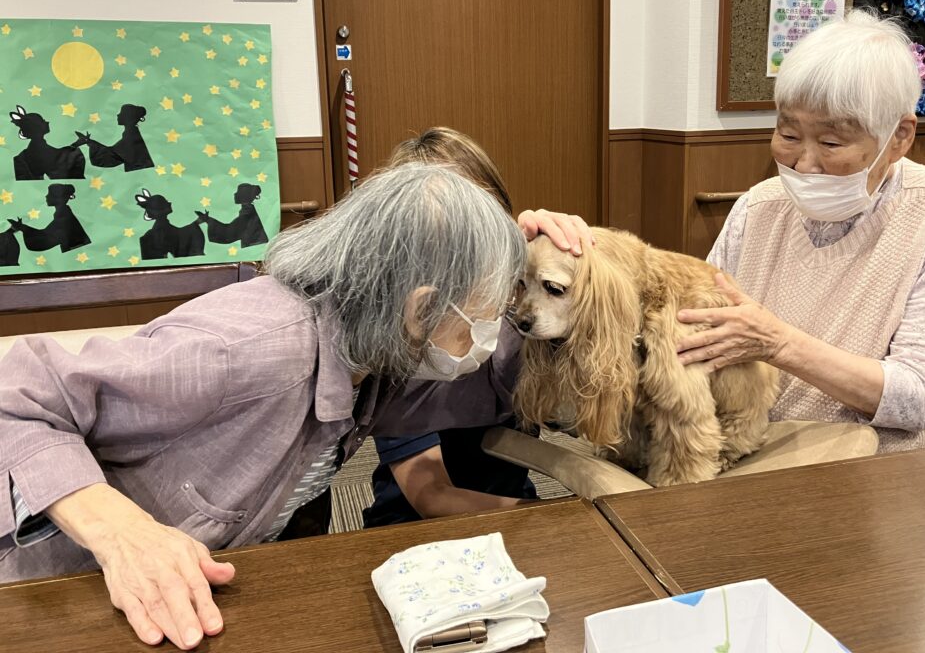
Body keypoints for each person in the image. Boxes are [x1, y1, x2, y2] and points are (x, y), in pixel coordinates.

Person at [0, 163, 526, 650]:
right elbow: (19, 395)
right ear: (421, 309)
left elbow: (492, 389)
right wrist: (123, 537)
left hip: (185, 599)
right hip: (49, 597)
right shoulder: (249, 347)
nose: (485, 337)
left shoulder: (369, 356)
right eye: (482, 318)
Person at [675, 10, 925, 451]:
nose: (804, 163)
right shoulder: (758, 207)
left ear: (899, 136)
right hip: (763, 448)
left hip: (894, 464)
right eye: (788, 135)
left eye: (831, 143)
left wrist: (777, 344)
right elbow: (697, 331)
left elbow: (918, 398)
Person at [363, 129, 568, 527]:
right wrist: (553, 517)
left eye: (487, 218)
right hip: (415, 520)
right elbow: (430, 496)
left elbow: (583, 414)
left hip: (514, 500)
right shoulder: (400, 337)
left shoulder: (521, 305)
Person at [8, 183, 91, 253]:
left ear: (58, 198)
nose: (46, 196)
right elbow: (46, 233)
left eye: (50, 194)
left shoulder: (64, 215)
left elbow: (46, 238)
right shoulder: (63, 213)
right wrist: (23, 227)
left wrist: (23, 228)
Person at [73, 103, 154, 172]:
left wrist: (89, 142)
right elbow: (114, 153)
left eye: (121, 113)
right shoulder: (131, 133)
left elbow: (112, 155)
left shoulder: (131, 134)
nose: (118, 114)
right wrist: (90, 142)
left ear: (128, 117)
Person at [195, 183, 269, 248]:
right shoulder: (248, 211)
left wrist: (208, 220)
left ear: (244, 195)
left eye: (238, 192)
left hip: (254, 252)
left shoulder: (247, 214)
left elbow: (228, 233)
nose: (235, 194)